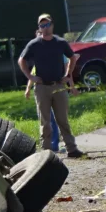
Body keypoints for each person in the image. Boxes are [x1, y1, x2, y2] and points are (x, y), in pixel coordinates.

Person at [19, 14, 84, 158]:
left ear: (52, 25)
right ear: (39, 28)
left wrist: (68, 75)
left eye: (47, 25)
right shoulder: (34, 44)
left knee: (63, 120)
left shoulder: (60, 42)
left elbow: (72, 58)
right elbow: (21, 60)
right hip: (42, 87)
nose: (45, 28)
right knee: (45, 122)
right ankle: (46, 152)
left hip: (59, 85)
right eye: (42, 26)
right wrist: (30, 77)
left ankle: (71, 149)